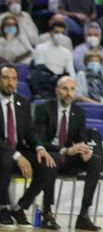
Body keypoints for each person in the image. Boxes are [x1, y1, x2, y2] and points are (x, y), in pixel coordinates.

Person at [35, 76, 102, 230]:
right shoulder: (44, 109)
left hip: (69, 158)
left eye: (72, 89)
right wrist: (64, 150)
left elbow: (81, 138)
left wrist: (84, 150)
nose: (68, 93)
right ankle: (47, 213)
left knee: (95, 161)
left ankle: (84, 214)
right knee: (53, 159)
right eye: (65, 89)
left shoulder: (79, 112)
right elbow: (40, 141)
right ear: (57, 91)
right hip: (50, 154)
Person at [0, 65, 58, 228]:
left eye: (13, 79)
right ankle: (2, 206)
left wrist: (40, 148)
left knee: (49, 163)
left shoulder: (23, 102)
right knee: (4, 159)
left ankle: (20, 207)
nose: (10, 83)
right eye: (5, 78)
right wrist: (17, 156)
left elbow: (30, 131)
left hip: (17, 149)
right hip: (2, 151)